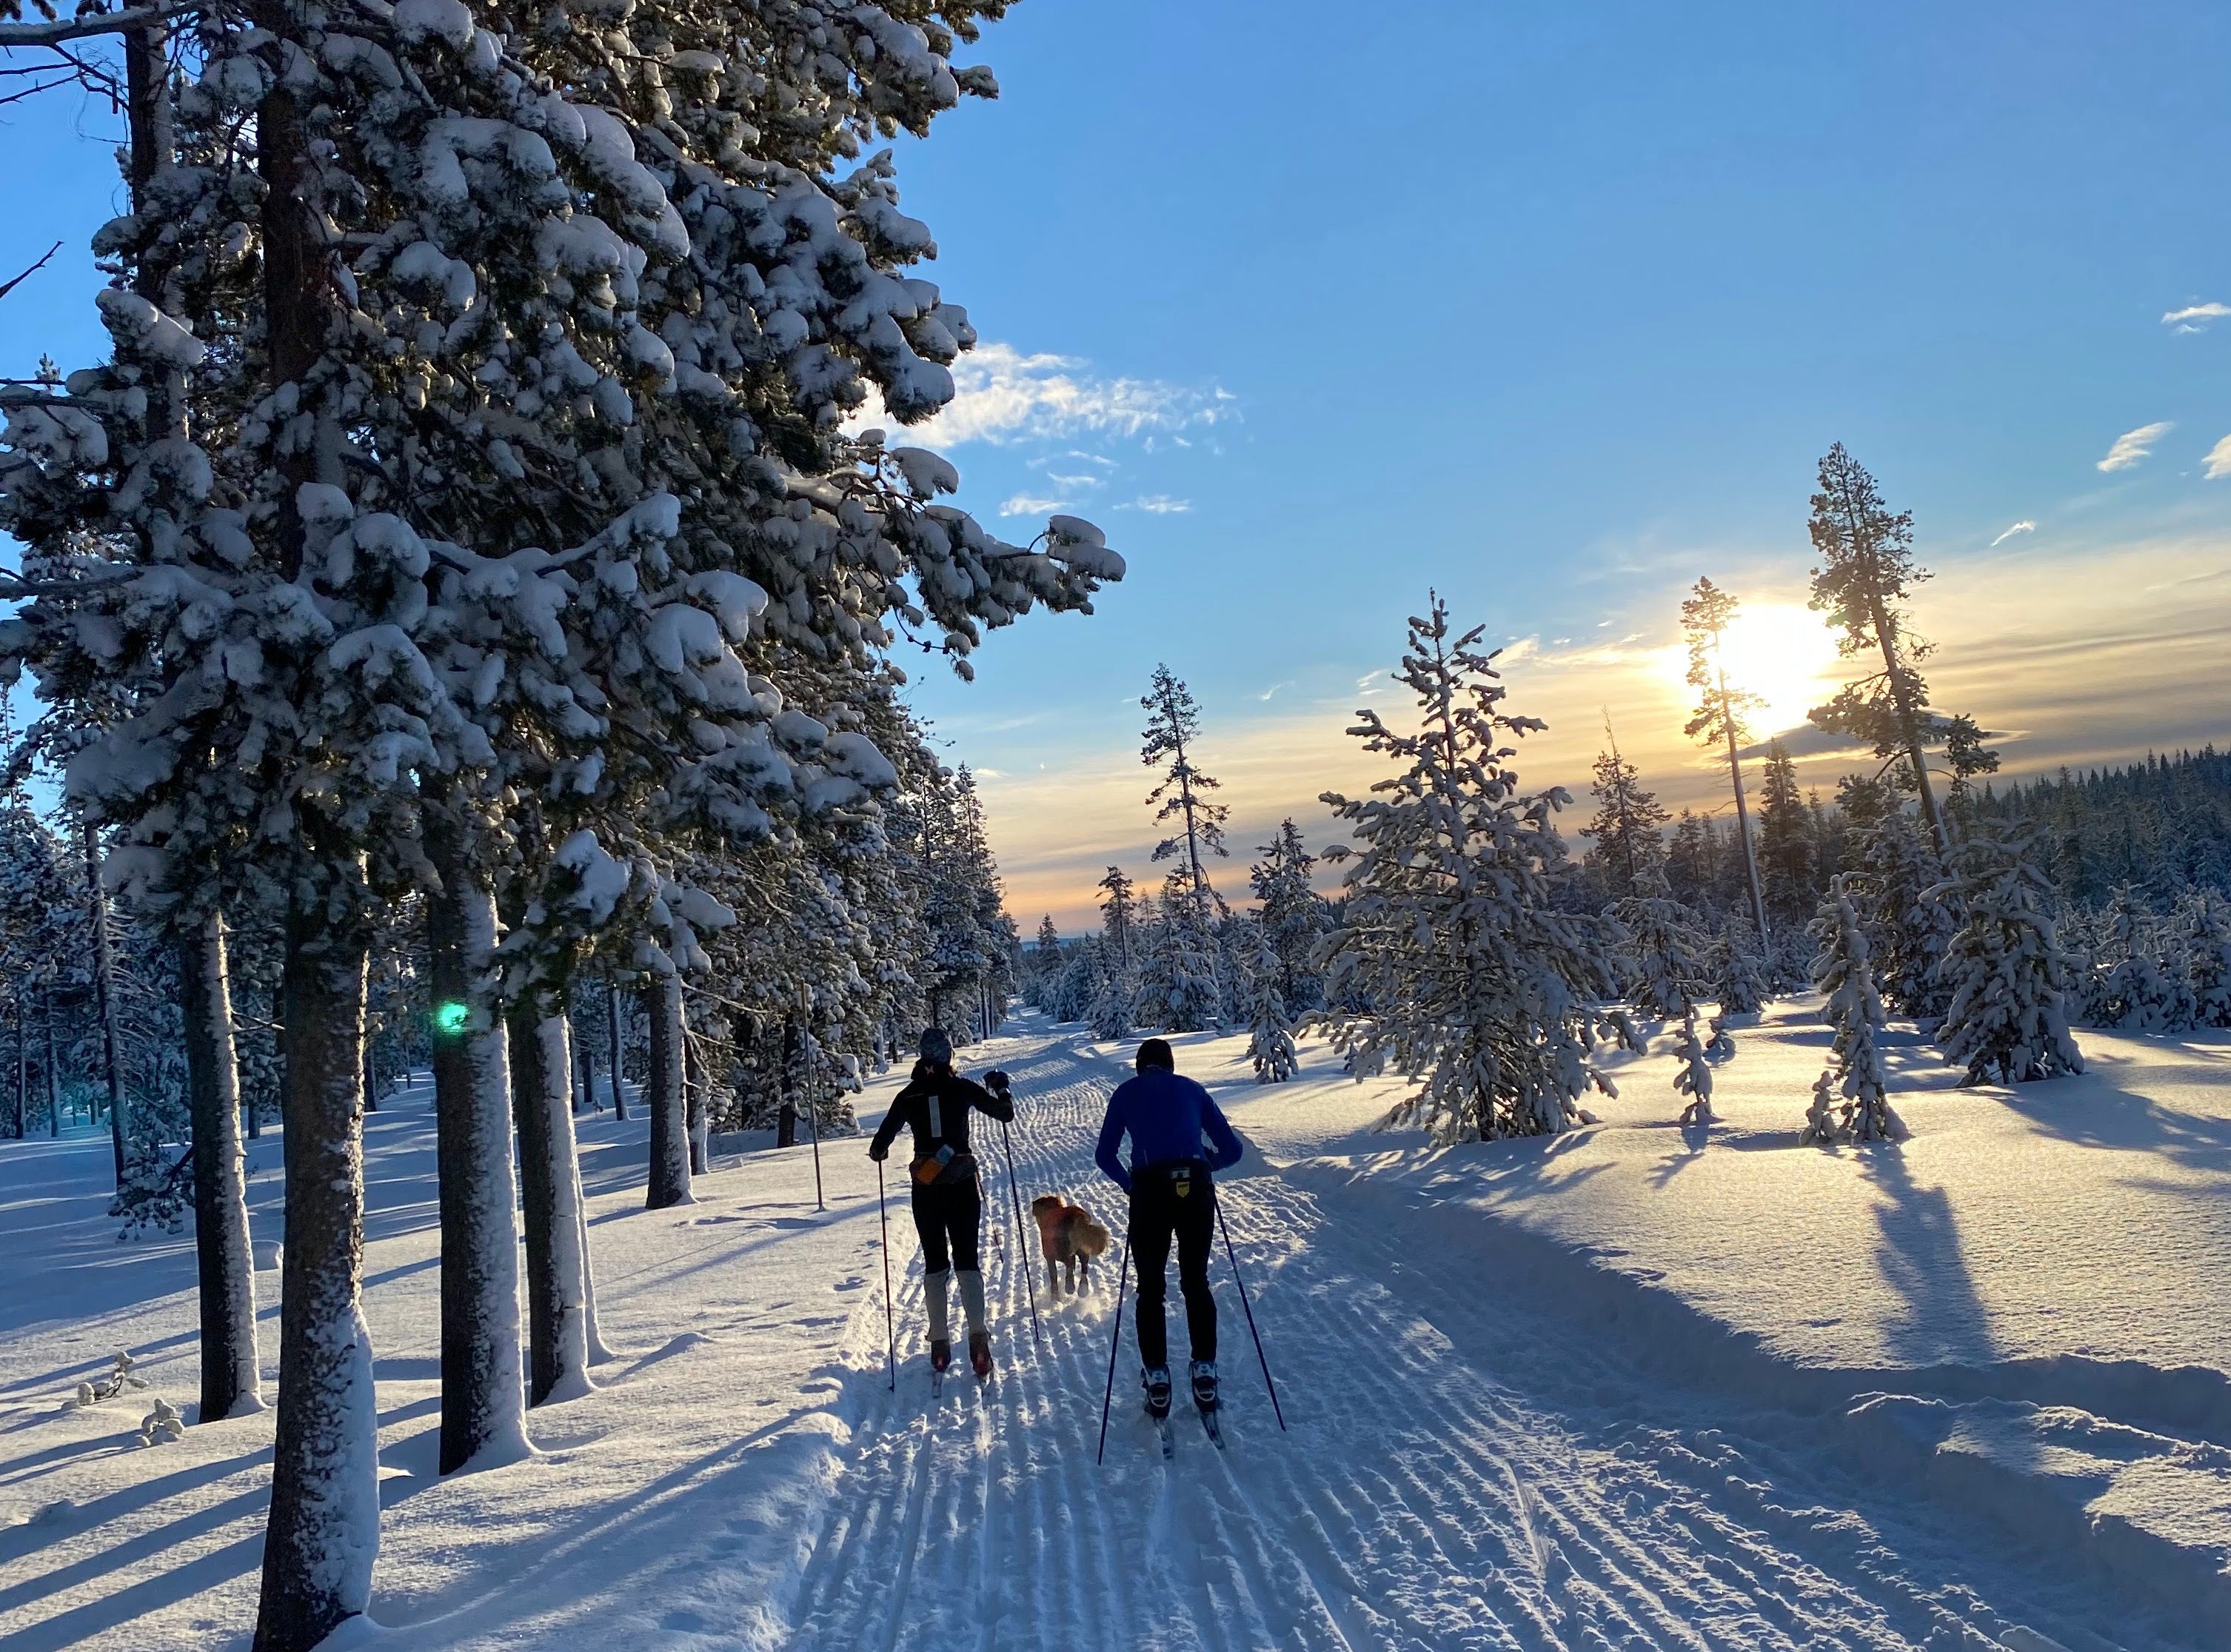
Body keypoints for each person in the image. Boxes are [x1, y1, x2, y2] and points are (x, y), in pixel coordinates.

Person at [1094, 1037, 1245, 1421]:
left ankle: (1158, 1376)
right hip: (1195, 1186)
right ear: (1171, 1064)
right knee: (1196, 1281)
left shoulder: (1126, 1093)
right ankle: (1205, 1370)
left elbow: (1104, 1155)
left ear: (1140, 1066)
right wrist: (1207, 1163)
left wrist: (1130, 1184)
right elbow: (1233, 1150)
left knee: (1150, 1287)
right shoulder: (1193, 1089)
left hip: (1149, 1189)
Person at [868, 1028, 1014, 1379]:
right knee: (966, 1260)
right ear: (948, 1055)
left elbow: (878, 1147)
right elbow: (1004, 1114)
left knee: (935, 1263)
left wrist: (883, 1150)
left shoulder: (908, 1095)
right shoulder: (962, 1088)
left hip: (927, 1187)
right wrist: (1001, 1086)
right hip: (962, 1184)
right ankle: (978, 1342)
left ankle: (939, 1345)